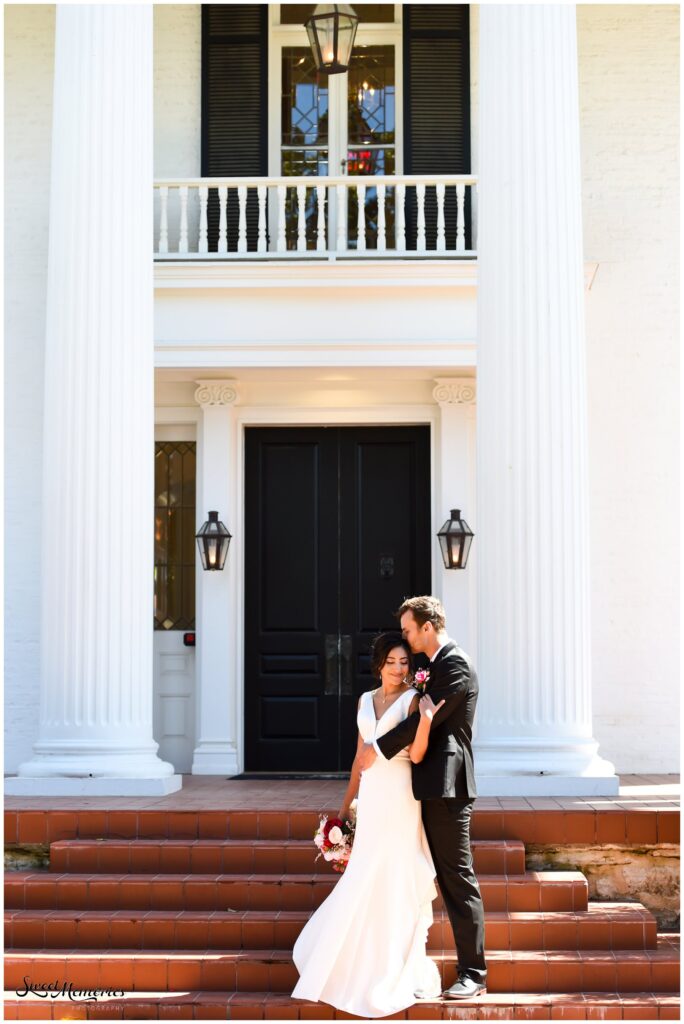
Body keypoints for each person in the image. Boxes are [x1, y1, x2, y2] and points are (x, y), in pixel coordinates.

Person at [291, 631, 445, 1019]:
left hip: (399, 792)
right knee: (363, 872)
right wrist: (345, 810)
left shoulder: (414, 700)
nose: (398, 668)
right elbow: (361, 758)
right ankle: (341, 960)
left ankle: (388, 966)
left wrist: (425, 721)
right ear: (379, 665)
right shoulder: (364, 701)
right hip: (372, 796)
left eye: (404, 662)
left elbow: (420, 752)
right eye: (391, 662)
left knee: (393, 874)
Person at [357, 595, 487, 999]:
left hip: (448, 786)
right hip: (423, 786)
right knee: (435, 875)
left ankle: (474, 973)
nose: (406, 637)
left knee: (456, 877)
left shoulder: (455, 665)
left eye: (410, 630)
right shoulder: (429, 666)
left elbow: (420, 721)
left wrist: (375, 748)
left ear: (428, 627)